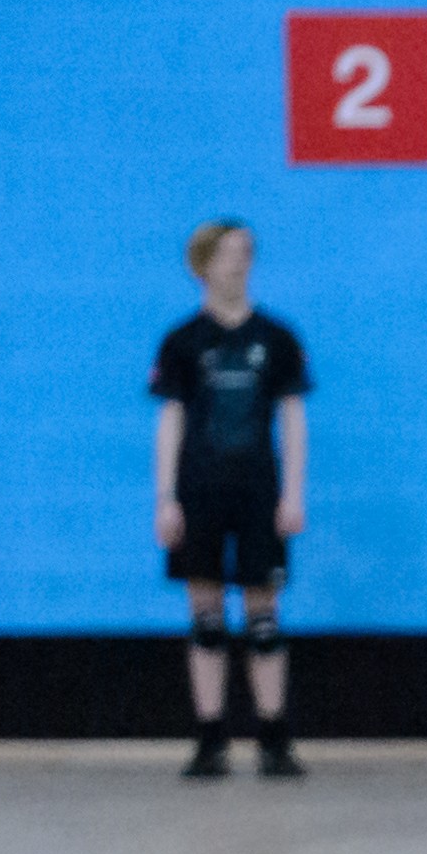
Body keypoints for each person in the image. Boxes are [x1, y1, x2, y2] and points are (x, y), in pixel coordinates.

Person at [153, 219, 310, 778]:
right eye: (225, 255)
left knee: (263, 619)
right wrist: (165, 497)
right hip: (199, 491)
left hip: (258, 492)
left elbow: (293, 419)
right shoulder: (182, 342)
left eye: (245, 253)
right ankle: (210, 737)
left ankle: (273, 737)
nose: (237, 264)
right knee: (207, 619)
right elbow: (170, 420)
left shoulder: (277, 338)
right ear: (202, 266)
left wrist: (292, 493)